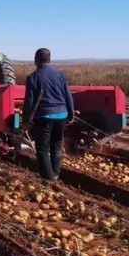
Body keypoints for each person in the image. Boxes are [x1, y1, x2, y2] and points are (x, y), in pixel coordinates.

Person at [23, 48, 75, 180]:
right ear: (49, 59)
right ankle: (56, 173)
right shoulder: (61, 75)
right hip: (61, 115)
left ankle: (49, 178)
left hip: (43, 117)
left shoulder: (33, 78)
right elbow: (68, 96)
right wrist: (71, 113)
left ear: (36, 60)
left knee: (42, 148)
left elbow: (29, 102)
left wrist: (26, 121)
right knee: (56, 144)